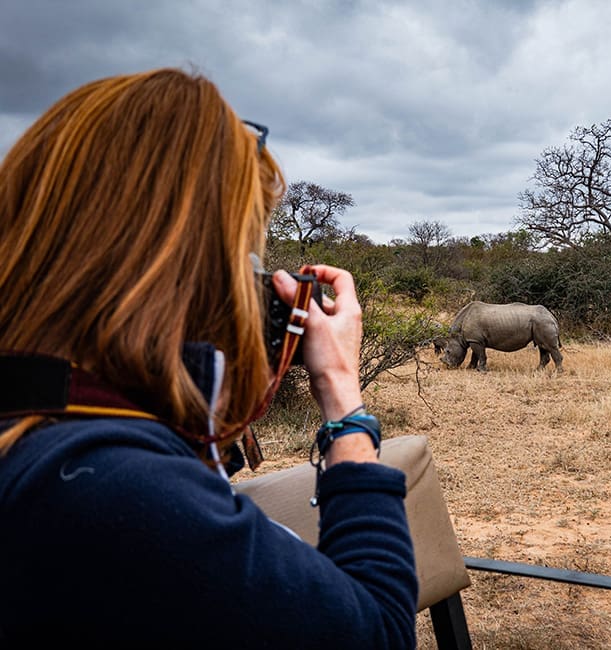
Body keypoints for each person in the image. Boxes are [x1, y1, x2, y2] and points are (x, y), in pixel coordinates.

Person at [0, 68, 418, 647]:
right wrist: (343, 395)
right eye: (248, 262)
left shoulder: (39, 427)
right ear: (196, 274)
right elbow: (377, 632)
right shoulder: (119, 491)